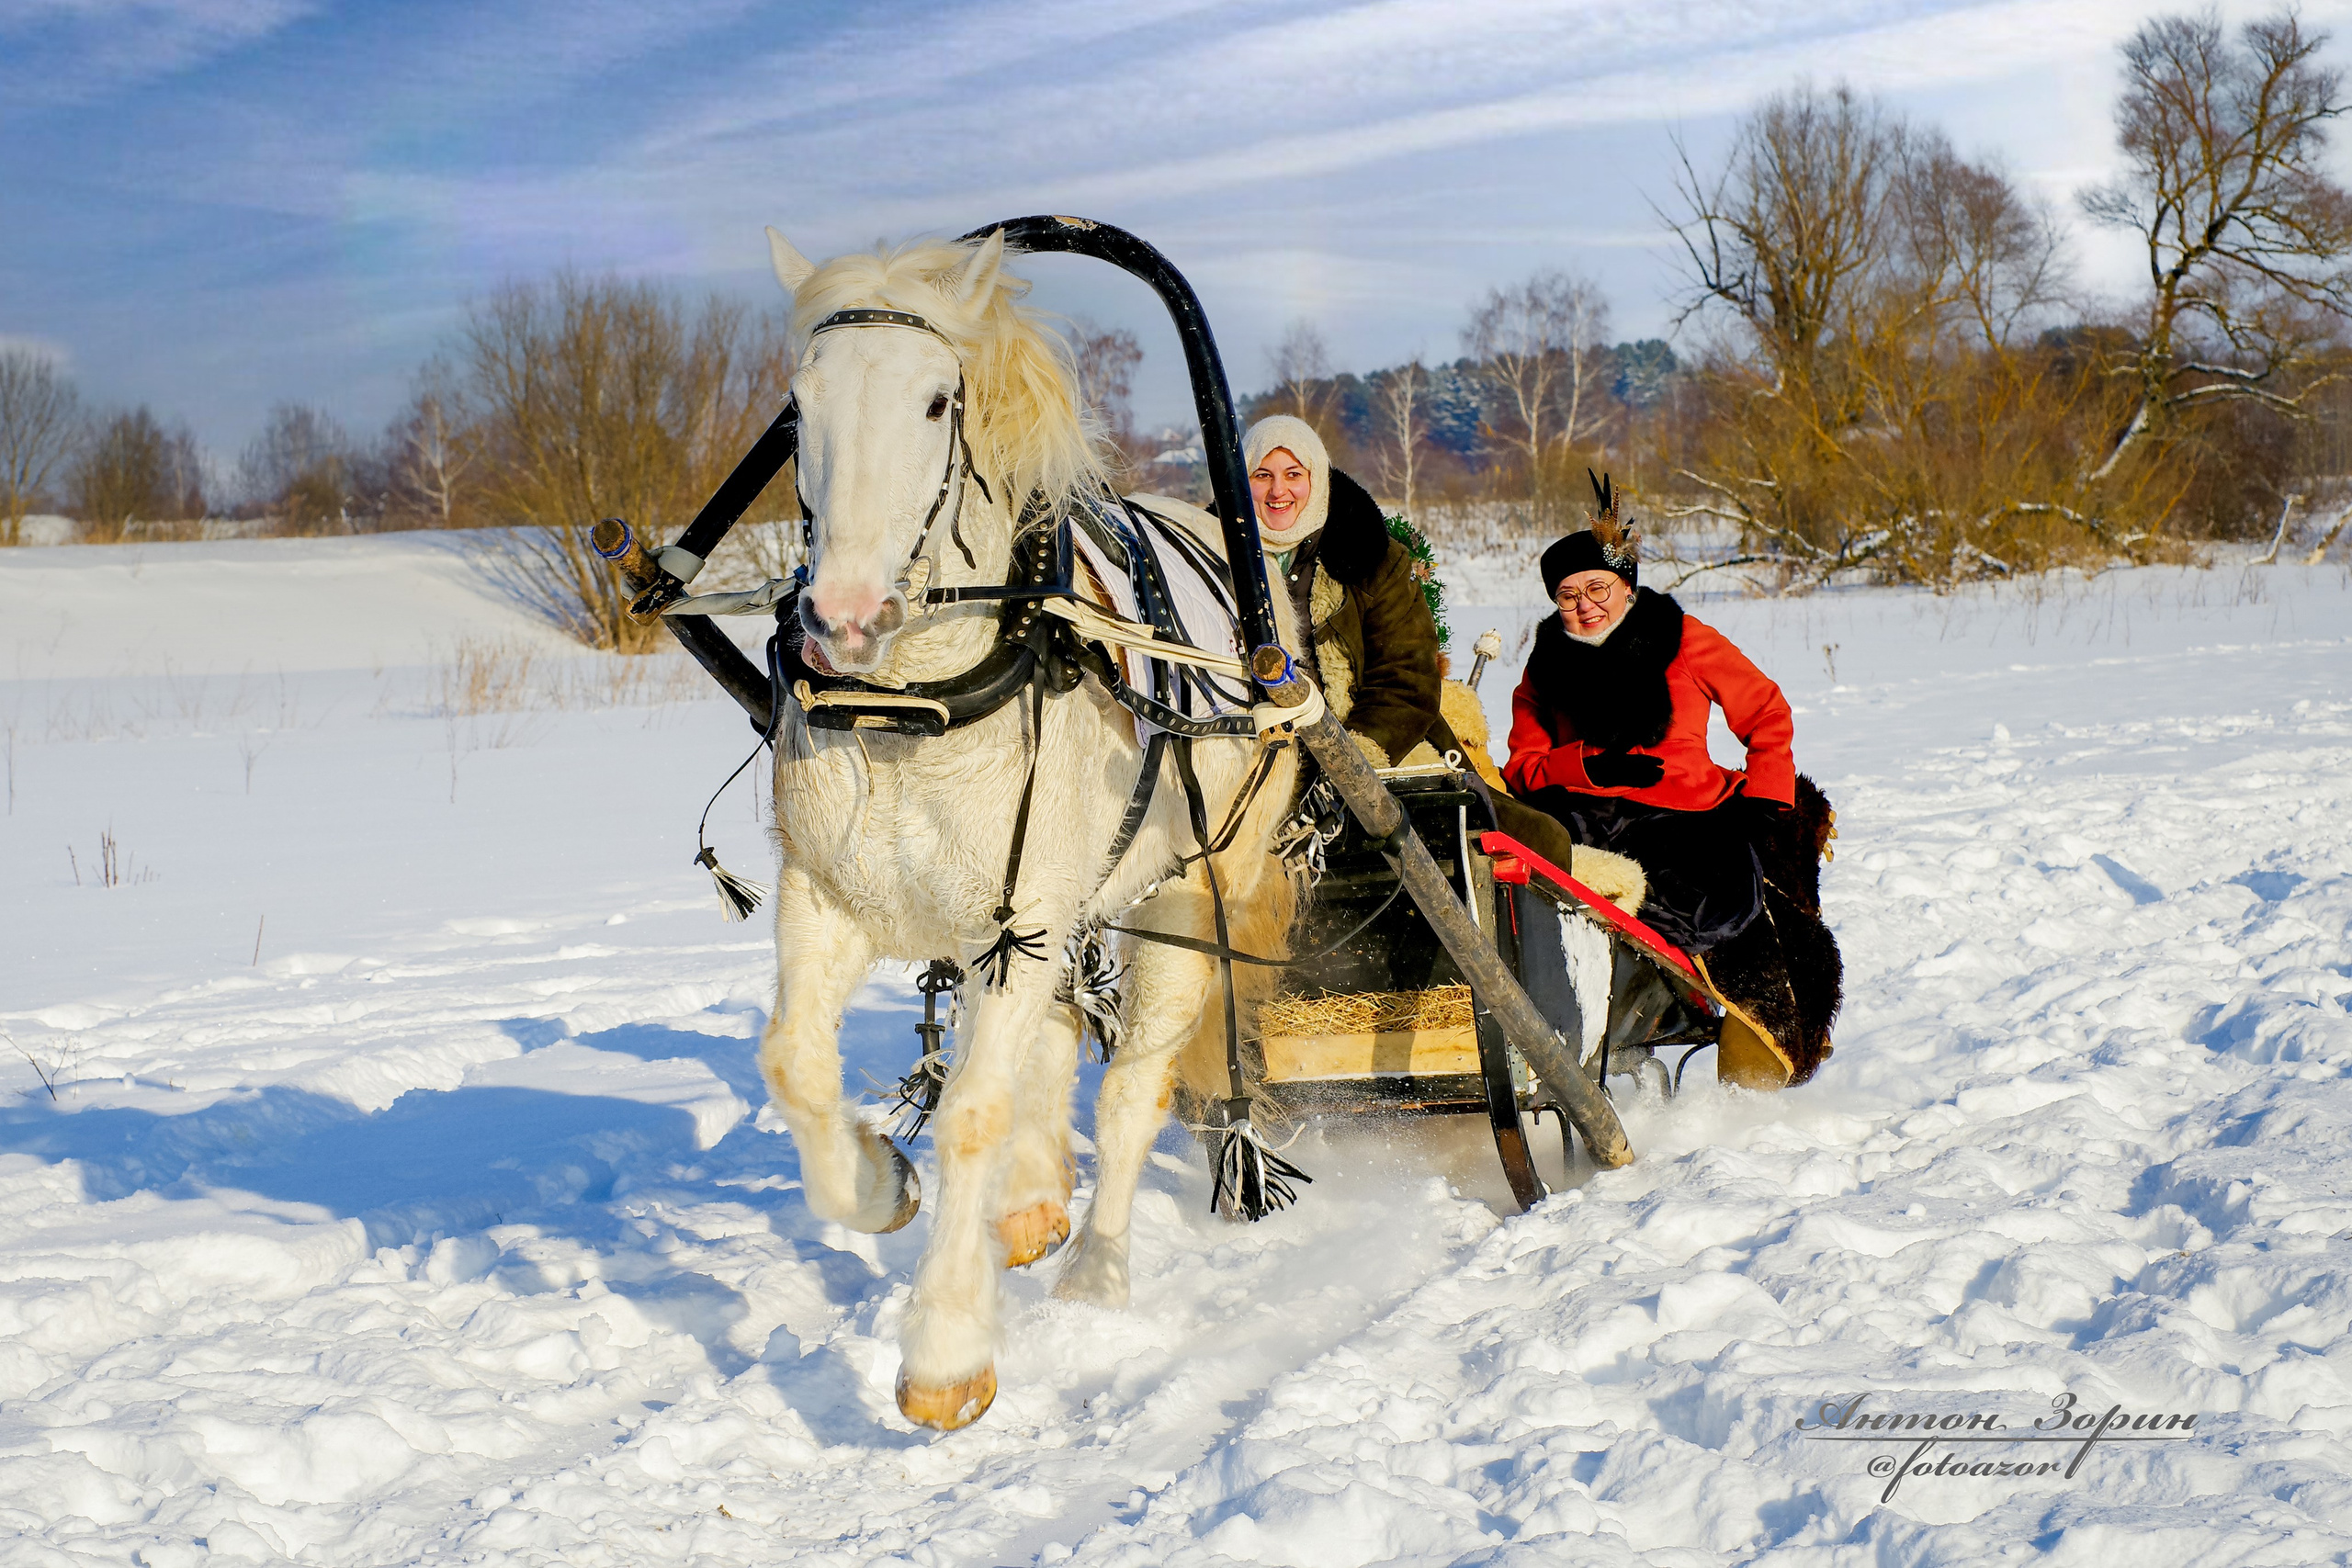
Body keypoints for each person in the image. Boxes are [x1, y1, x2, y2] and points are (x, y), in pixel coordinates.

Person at [1504, 475, 1840, 1089]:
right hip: (1583, 817)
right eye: (1568, 595)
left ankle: (1713, 1025)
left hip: (1683, 817)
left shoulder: (1684, 639)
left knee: (1732, 904)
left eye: (1597, 588)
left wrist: (1767, 798)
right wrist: (1583, 766)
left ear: (1626, 587)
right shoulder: (1544, 665)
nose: (1585, 606)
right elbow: (1523, 767)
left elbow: (1767, 711)